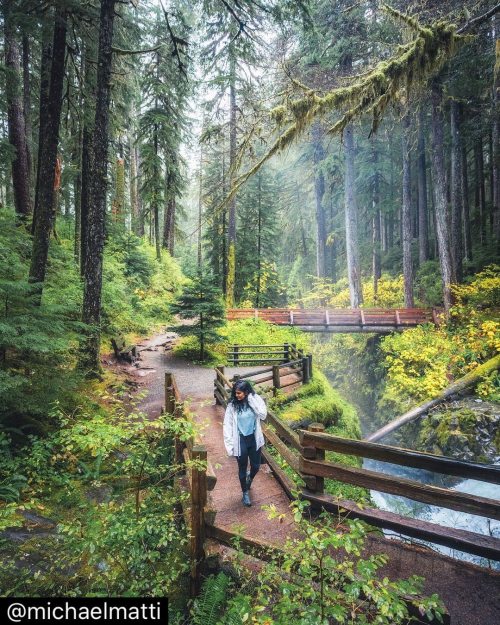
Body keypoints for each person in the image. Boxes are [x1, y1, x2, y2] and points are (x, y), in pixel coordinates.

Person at [223, 379, 267, 507]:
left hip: (253, 438)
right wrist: (230, 445)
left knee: (256, 466)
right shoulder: (232, 405)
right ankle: (245, 493)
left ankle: (249, 479)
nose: (236, 395)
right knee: (242, 468)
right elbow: (227, 425)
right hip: (240, 439)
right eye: (235, 393)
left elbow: (263, 414)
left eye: (239, 393)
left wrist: (251, 401)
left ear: (246, 392)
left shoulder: (255, 399)